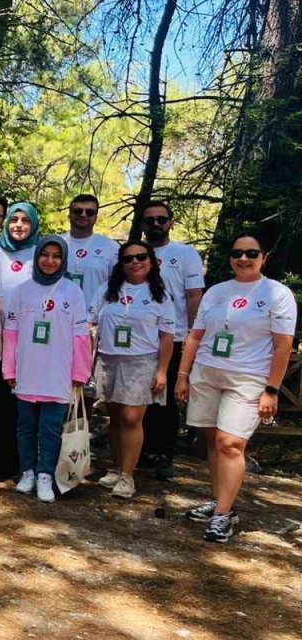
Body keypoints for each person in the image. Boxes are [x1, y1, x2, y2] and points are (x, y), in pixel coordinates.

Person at [176, 231, 296, 543]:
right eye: (237, 253)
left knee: (231, 443)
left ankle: (222, 517)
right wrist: (182, 375)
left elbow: (282, 346)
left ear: (263, 258)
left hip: (249, 378)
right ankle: (221, 503)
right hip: (208, 373)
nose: (243, 258)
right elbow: (195, 336)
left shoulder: (276, 293)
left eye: (251, 253)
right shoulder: (216, 292)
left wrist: (272, 389)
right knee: (213, 440)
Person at [2, 236, 91, 503]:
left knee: (51, 429)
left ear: (63, 260)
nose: (49, 261)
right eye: (45, 255)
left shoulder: (72, 292)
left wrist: (80, 372)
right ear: (37, 257)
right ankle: (27, 471)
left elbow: (81, 336)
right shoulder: (22, 290)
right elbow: (11, 332)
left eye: (56, 256)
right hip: (27, 369)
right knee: (25, 426)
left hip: (58, 371)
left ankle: (45, 475)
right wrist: (9, 369)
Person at [92, 241, 175, 499]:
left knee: (131, 418)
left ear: (151, 261)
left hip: (142, 361)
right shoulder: (108, 289)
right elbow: (91, 322)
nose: (135, 262)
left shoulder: (160, 295)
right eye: (128, 259)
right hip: (109, 359)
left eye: (141, 257)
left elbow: (167, 337)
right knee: (115, 417)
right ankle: (116, 468)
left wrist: (162, 371)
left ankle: (128, 476)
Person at [141, 201, 205, 480]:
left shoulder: (185, 254)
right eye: (150, 220)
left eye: (161, 219)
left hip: (175, 336)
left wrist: (194, 333)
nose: (155, 224)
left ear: (171, 223)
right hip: (139, 339)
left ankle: (164, 453)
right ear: (143, 225)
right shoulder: (135, 254)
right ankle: (141, 450)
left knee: (165, 398)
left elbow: (193, 295)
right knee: (140, 395)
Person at [0, 201, 41, 477]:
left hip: (30, 339)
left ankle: (23, 460)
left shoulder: (41, 253)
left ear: (33, 224)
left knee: (25, 401)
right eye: (14, 220)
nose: (18, 225)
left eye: (24, 220)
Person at [62, 194, 119, 298]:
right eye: (78, 211)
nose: (83, 215)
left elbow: (117, 285)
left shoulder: (111, 247)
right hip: (58, 311)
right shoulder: (56, 243)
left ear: (96, 218)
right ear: (69, 215)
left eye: (90, 212)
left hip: (93, 312)